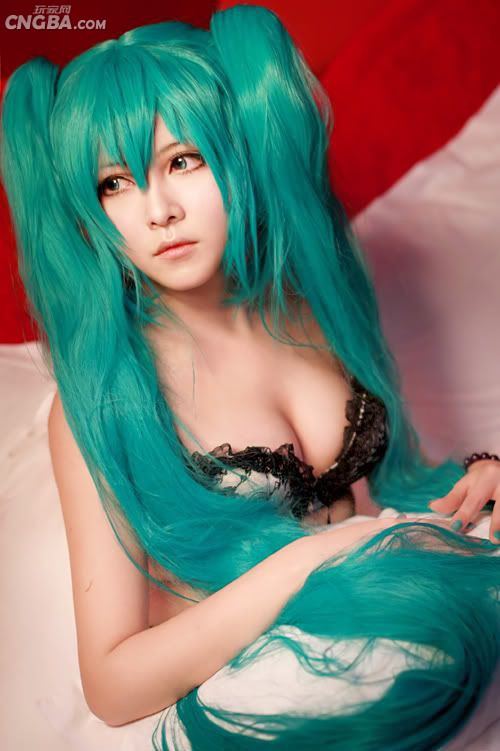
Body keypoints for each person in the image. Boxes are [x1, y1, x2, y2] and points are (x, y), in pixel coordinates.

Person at [1, 5, 499, 749]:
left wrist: (472, 481)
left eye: (182, 161)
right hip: (278, 673)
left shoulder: (306, 308)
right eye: (114, 183)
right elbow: (112, 683)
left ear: (236, 153)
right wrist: (311, 558)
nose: (159, 211)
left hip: (383, 606)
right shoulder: (109, 398)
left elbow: (377, 500)